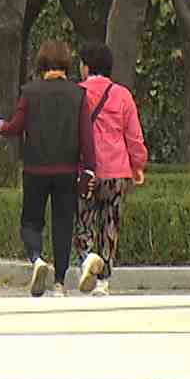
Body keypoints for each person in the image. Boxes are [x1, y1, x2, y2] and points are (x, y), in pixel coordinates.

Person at [0, 39, 88, 297]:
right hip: (67, 171)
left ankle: (37, 259)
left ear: (42, 61)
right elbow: (86, 136)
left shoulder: (30, 92)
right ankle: (60, 284)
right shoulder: (78, 94)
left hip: (35, 170)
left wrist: (1, 127)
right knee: (63, 225)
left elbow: (16, 126)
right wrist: (89, 168)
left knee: (31, 222)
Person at [72, 44, 148, 296]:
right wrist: (138, 165)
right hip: (117, 171)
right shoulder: (122, 95)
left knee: (84, 218)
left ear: (85, 67)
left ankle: (87, 258)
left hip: (86, 171)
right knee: (110, 223)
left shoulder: (77, 94)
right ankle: (104, 280)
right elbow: (134, 136)